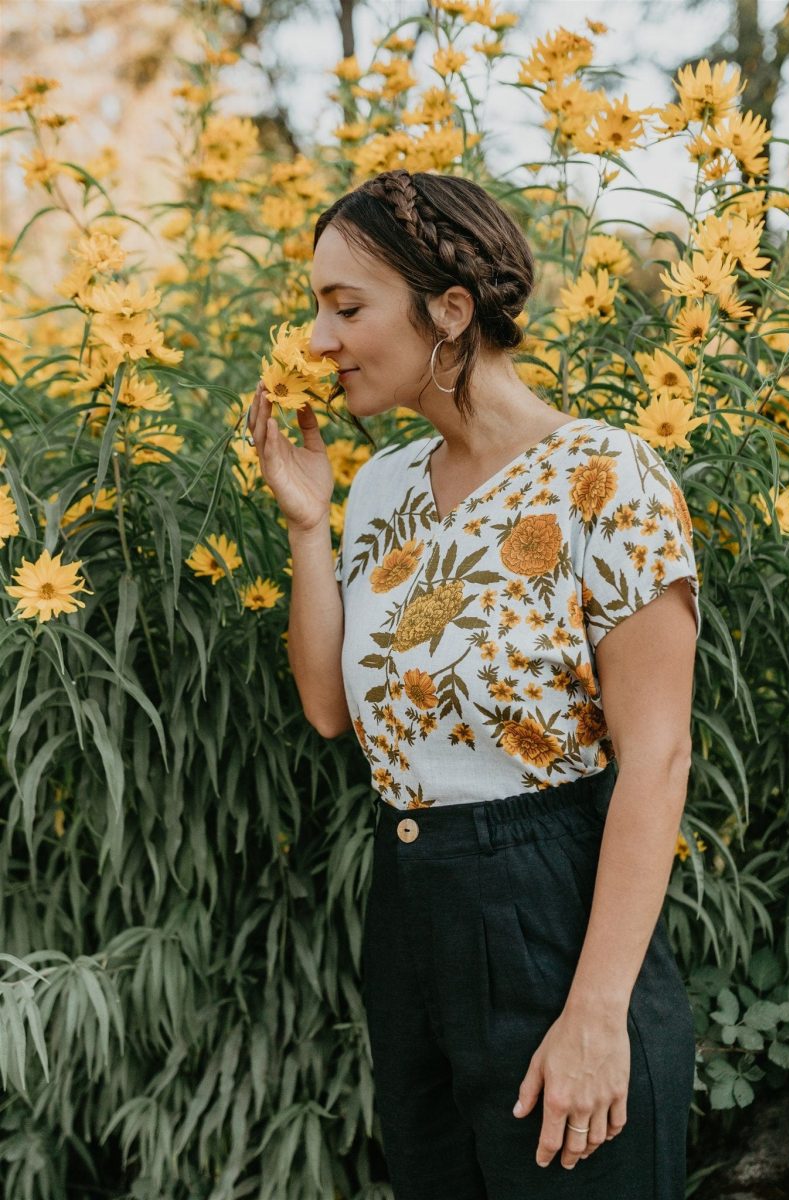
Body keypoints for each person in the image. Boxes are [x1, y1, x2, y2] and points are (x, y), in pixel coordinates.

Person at [247, 168, 701, 1200]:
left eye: (345, 306)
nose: (316, 339)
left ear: (449, 312)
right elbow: (329, 710)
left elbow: (656, 757)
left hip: (558, 911)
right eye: (317, 307)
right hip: (409, 904)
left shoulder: (606, 476)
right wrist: (307, 524)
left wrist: (593, 1015)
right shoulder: (385, 484)